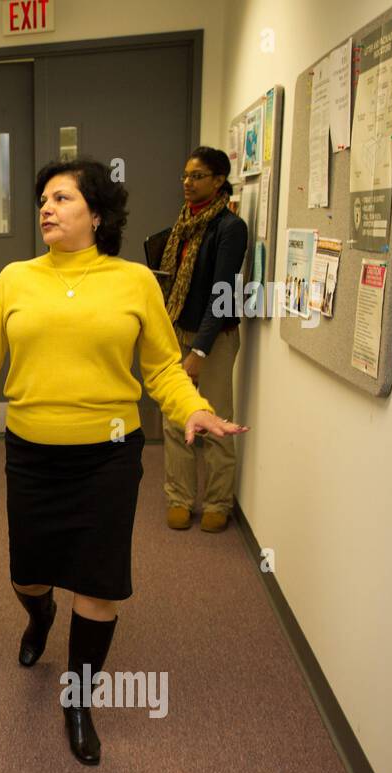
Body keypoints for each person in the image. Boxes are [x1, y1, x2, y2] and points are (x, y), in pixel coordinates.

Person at [0, 158, 248, 766]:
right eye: (43, 200)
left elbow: (160, 366)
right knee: (27, 572)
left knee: (99, 581)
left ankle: (78, 701)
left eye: (62, 198)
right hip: (32, 452)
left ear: (97, 214)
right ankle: (38, 612)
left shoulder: (133, 282)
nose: (47, 209)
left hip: (108, 455)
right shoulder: (15, 279)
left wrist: (192, 408)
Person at [159, 146, 249, 533]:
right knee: (174, 419)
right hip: (177, 329)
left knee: (214, 419)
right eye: (185, 175)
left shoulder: (230, 228)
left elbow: (222, 292)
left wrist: (199, 350)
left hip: (213, 337)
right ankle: (179, 497)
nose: (187, 183)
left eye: (196, 176)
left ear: (218, 180)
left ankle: (217, 502)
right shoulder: (184, 222)